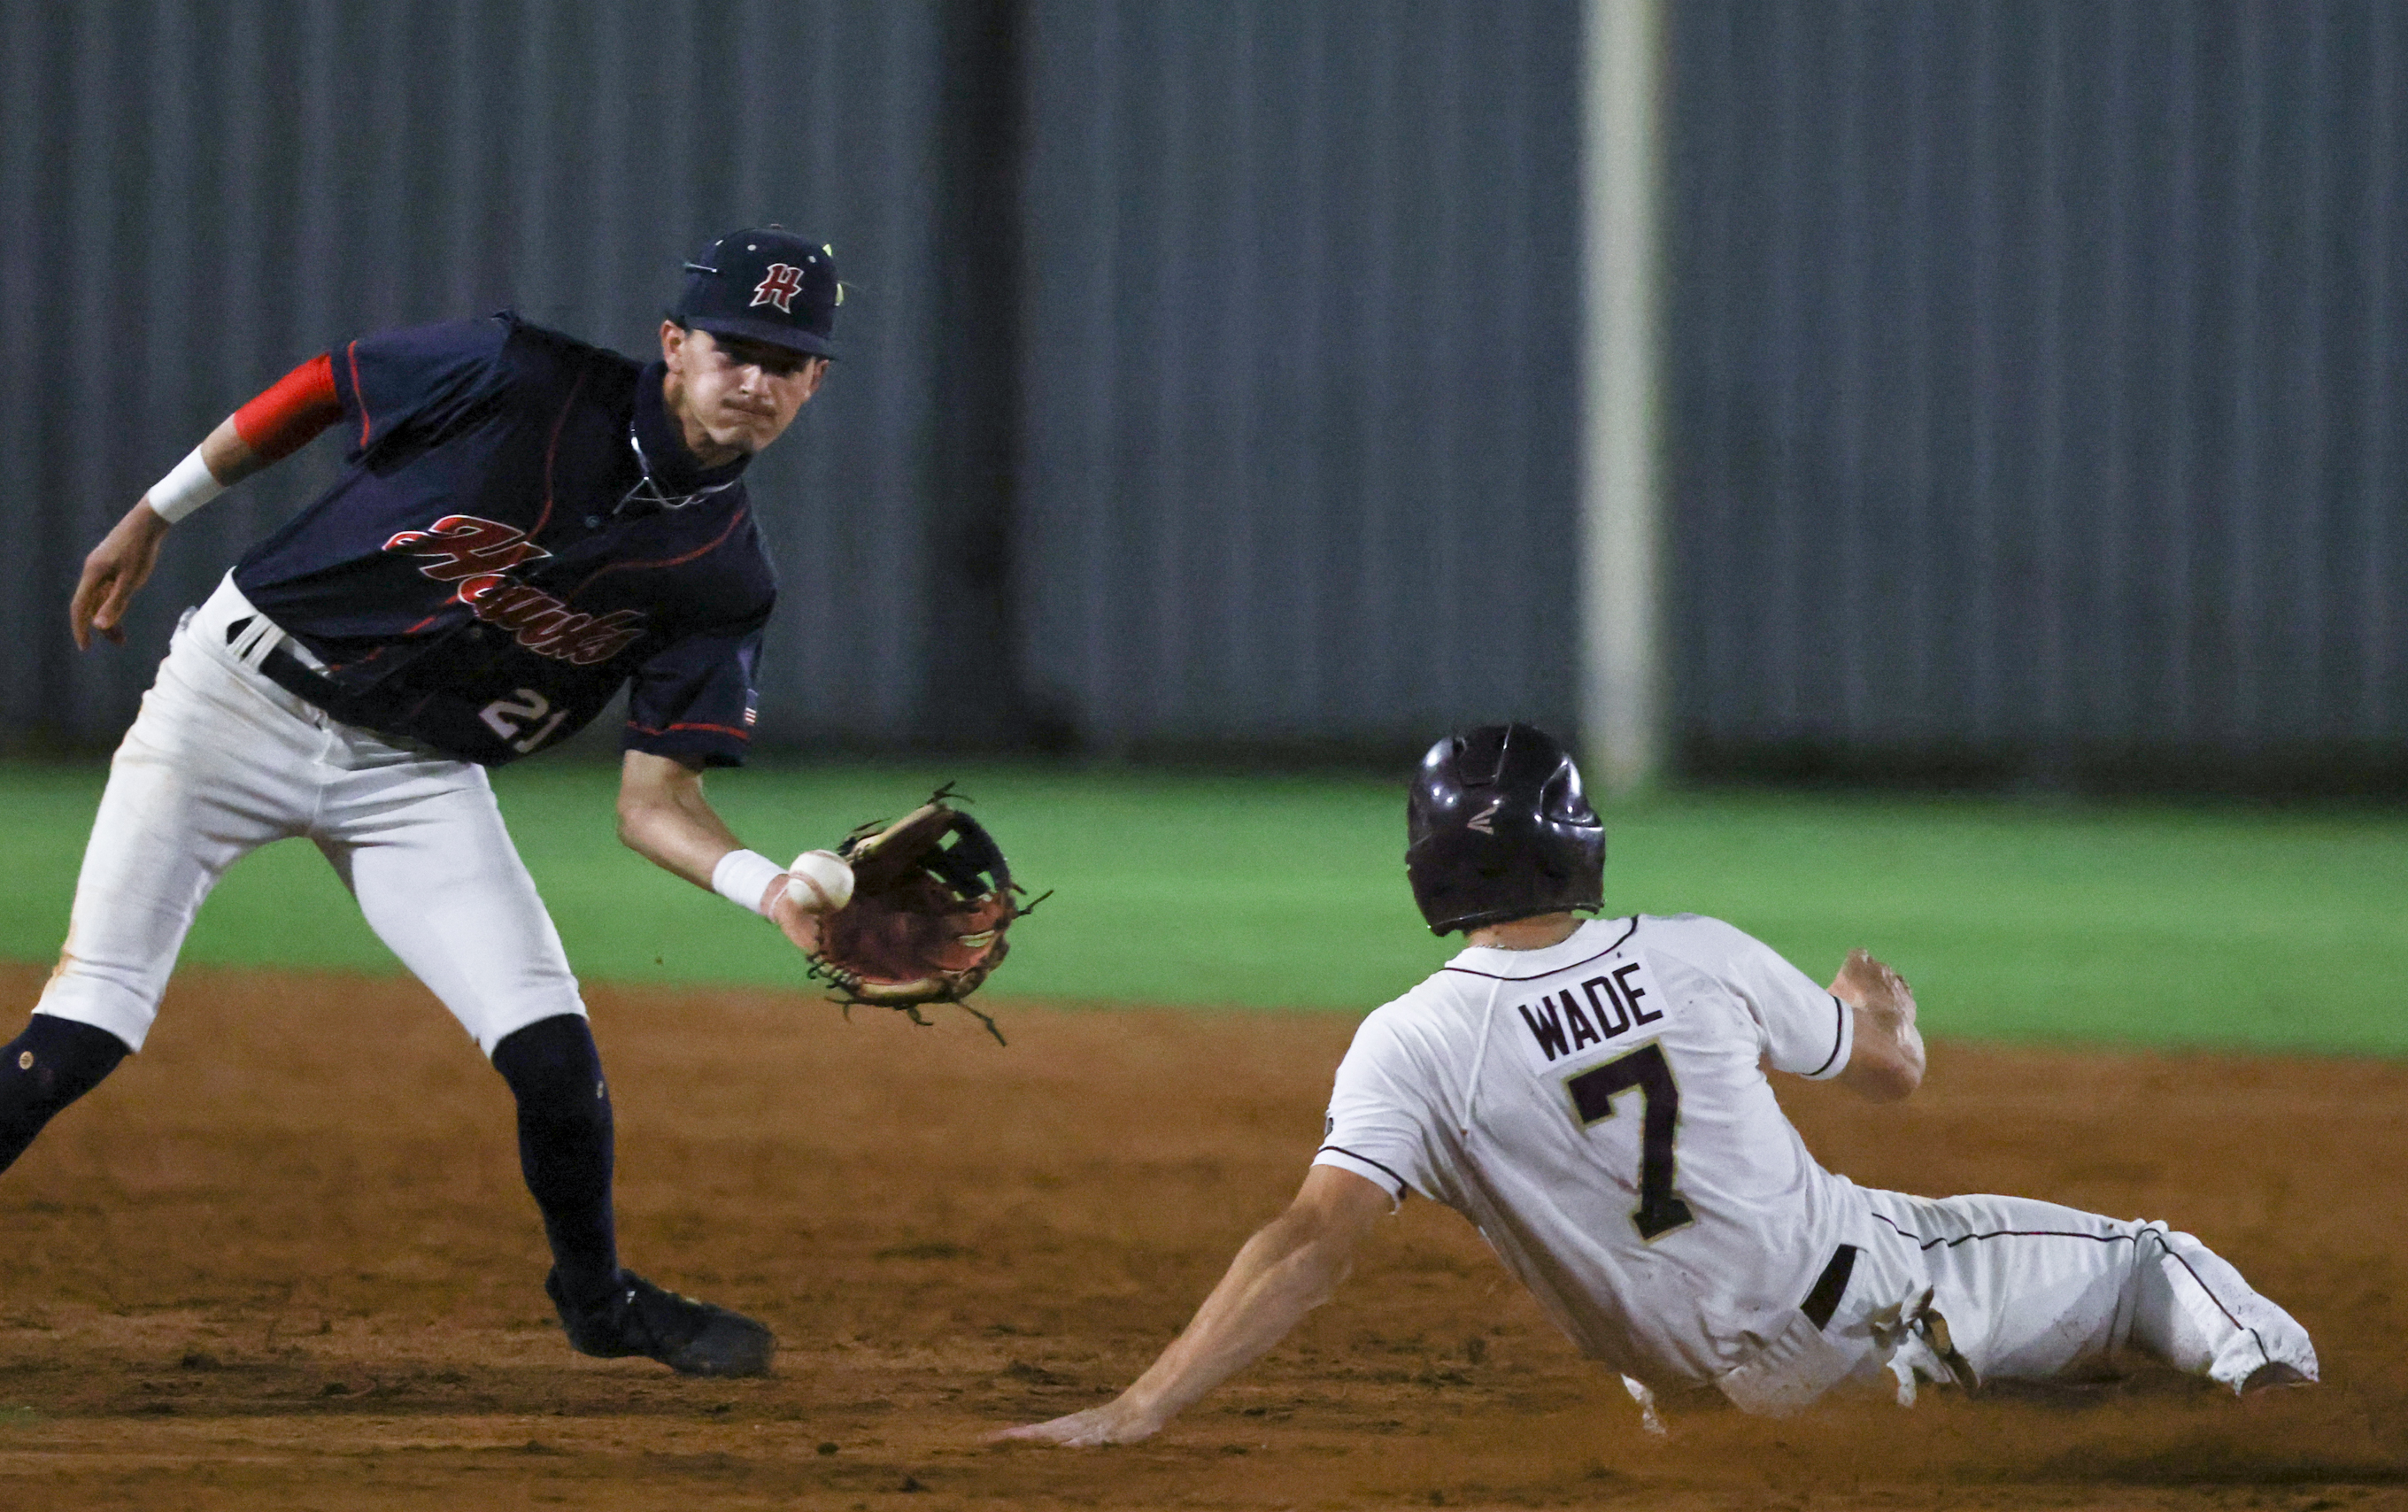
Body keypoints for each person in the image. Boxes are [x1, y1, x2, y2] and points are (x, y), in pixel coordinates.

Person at [3, 228, 853, 1377]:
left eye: (785, 361)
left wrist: (770, 891)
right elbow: (325, 385)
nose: (753, 379)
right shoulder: (519, 374)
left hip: (412, 775)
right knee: (80, 1036)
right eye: (732, 347)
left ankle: (598, 1301)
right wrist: (157, 510)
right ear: (673, 343)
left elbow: (654, 801)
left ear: (815, 382)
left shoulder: (724, 574)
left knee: (555, 1059)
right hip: (231, 707)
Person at [999, 723, 2318, 1444]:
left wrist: (1139, 1407)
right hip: (1872, 1301)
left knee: (2018, 1398)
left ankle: (2019, 1408)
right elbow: (1891, 1075)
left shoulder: (1408, 1042)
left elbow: (1310, 1242)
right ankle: (2281, 1410)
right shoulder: (1694, 953)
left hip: (1716, 1416)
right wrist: (1882, 1012)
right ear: (1576, 842)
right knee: (2151, 1262)